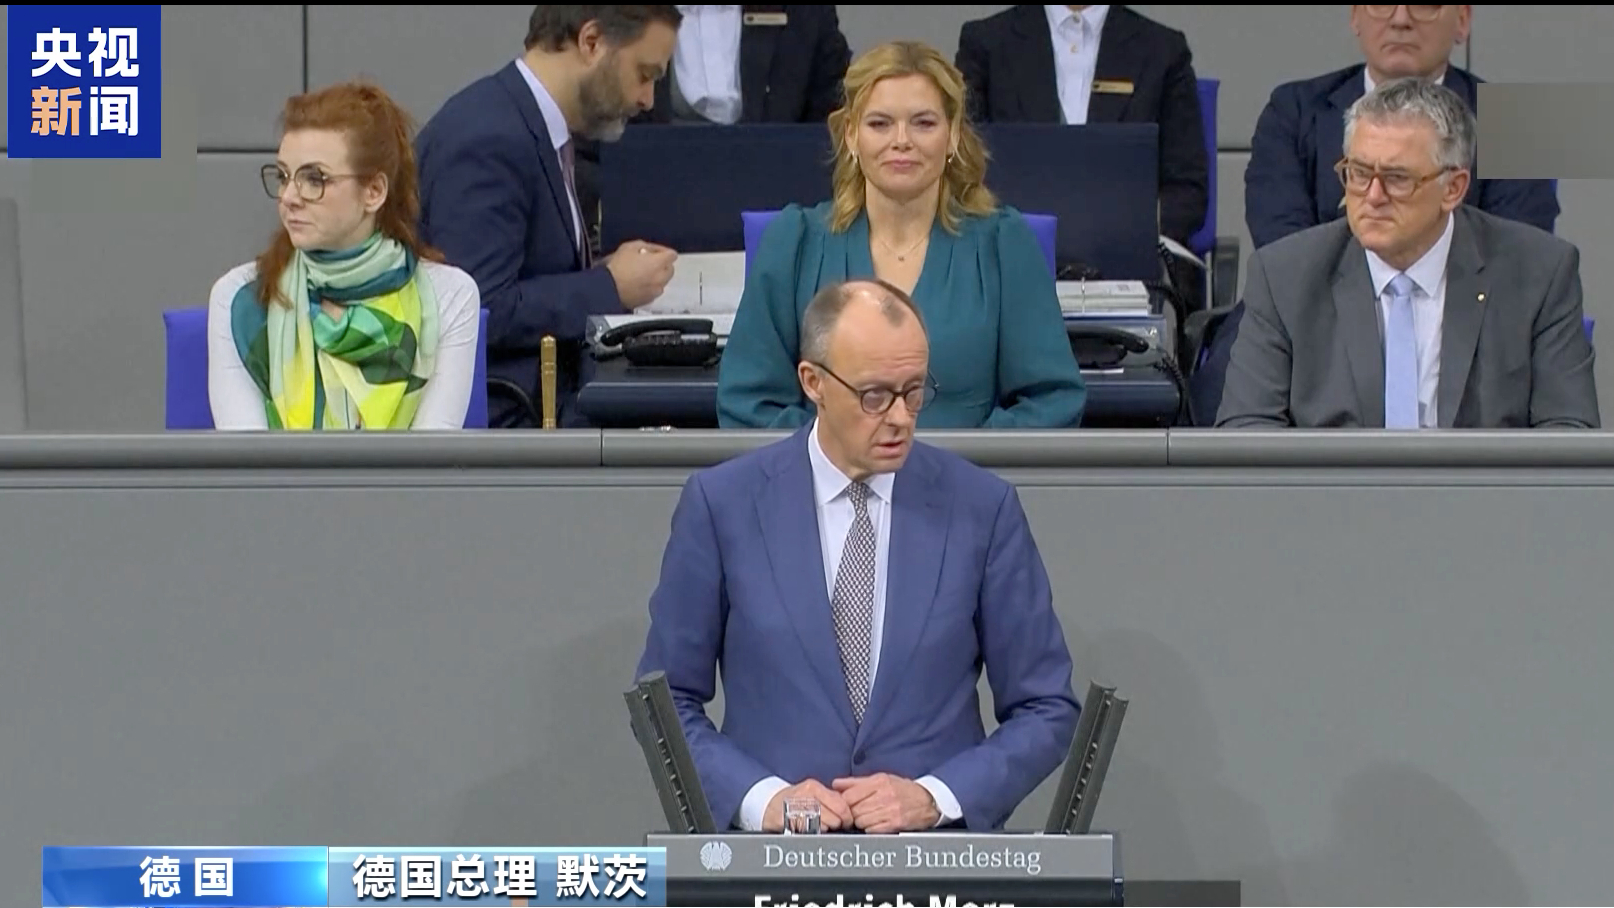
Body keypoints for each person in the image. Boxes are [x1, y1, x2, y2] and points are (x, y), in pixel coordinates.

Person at [637, 279, 1080, 833]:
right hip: (774, 865)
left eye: (913, 392)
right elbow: (664, 702)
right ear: (813, 382)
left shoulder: (982, 510)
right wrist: (760, 800)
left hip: (933, 863)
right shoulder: (723, 505)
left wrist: (935, 797)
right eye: (874, 396)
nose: (900, 417)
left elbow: (1047, 707)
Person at [716, 40, 1087, 430]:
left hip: (967, 469)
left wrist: (950, 464)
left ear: (953, 135)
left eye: (923, 123)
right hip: (821, 471)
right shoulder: (793, 243)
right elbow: (747, 404)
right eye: (880, 123)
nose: (902, 140)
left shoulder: (1003, 244)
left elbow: (1052, 401)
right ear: (851, 135)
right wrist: (837, 457)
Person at [1216, 78, 1599, 430]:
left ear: (1453, 188)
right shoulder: (1284, 277)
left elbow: (1566, 434)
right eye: (1359, 173)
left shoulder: (1540, 274)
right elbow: (1247, 434)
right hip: (1330, 486)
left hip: (1483, 485)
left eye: (1397, 179)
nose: (1373, 197)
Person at [415, 5, 682, 428]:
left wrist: (604, 274)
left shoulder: (524, 124)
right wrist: (609, 286)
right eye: (644, 74)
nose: (647, 99)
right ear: (591, 42)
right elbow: (480, 308)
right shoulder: (488, 139)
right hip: (511, 426)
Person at [208, 82, 481, 431]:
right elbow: (247, 458)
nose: (289, 197)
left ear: (374, 192)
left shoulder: (449, 296)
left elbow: (430, 456)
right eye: (283, 176)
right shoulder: (240, 298)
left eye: (314, 179)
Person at [1244, 4, 1557, 250]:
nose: (1400, 19)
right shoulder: (1292, 111)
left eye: (1424, 5)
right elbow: (1282, 246)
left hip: (1466, 308)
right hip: (1312, 306)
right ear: (1355, 16)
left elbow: (1515, 253)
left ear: (1462, 20)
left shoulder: (1512, 123)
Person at [954, 4, 1209, 248]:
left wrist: (1131, 236)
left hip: (1128, 262)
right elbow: (961, 171)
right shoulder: (985, 45)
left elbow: (1187, 191)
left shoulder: (1164, 51)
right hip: (1012, 257)